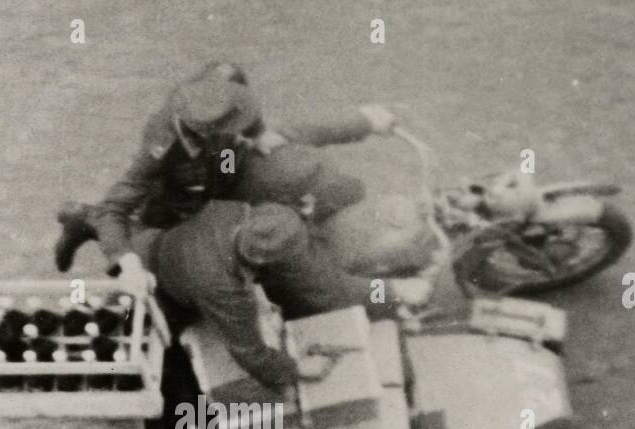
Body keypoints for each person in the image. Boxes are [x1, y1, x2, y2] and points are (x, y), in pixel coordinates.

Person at [53, 67, 398, 294]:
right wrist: (125, 264)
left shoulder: (223, 82)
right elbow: (116, 206)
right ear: (200, 131)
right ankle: (84, 219)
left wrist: (362, 123)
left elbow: (260, 120)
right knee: (161, 255)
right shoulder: (159, 147)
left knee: (274, 170)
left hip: (225, 165)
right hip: (178, 196)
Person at [147, 200, 427, 390]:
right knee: (176, 373)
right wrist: (298, 369)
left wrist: (390, 291)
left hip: (171, 246)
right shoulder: (224, 290)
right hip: (163, 291)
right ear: (260, 261)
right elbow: (252, 355)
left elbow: (326, 286)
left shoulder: (235, 213)